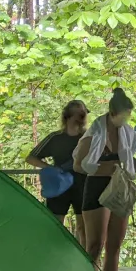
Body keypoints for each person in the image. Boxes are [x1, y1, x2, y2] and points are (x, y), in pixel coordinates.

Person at [73, 88, 136, 271]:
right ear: (112, 113)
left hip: (119, 186)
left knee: (114, 246)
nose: (126, 120)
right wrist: (102, 169)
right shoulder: (94, 134)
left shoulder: (126, 132)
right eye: (124, 115)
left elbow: (127, 158)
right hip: (97, 186)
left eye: (128, 116)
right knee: (95, 246)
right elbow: (78, 165)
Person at [26, 100, 89, 247]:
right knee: (55, 226)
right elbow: (31, 157)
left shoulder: (89, 137)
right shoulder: (55, 138)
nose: (83, 116)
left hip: (84, 186)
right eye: (79, 113)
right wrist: (51, 169)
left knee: (84, 228)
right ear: (68, 115)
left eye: (84, 113)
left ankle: (84, 257)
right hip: (59, 186)